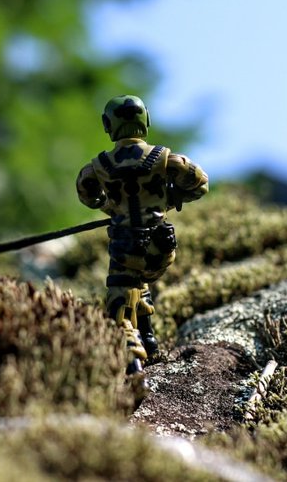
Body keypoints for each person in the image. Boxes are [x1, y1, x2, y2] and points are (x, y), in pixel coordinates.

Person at [76, 95, 208, 374]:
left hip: (126, 246)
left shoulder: (99, 165)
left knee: (119, 299)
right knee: (141, 286)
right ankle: (148, 339)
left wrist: (113, 208)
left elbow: (87, 194)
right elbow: (200, 184)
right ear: (145, 120)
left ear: (108, 125)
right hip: (161, 245)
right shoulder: (165, 158)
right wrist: (165, 202)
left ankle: (131, 359)